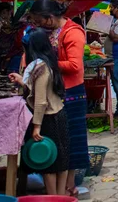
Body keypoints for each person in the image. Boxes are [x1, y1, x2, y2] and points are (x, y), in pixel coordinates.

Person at [29, 0, 89, 197]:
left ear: (50, 17)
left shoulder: (73, 32)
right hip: (57, 90)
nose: (38, 25)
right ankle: (63, 190)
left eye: (39, 21)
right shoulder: (51, 31)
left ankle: (68, 186)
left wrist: (47, 62)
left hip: (71, 91)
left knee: (70, 141)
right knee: (60, 142)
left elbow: (74, 65)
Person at [10, 29, 70, 195]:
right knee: (61, 159)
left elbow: (41, 100)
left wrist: (37, 126)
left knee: (48, 161)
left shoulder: (40, 67)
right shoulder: (47, 62)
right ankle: (60, 196)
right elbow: (38, 90)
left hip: (49, 118)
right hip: (58, 114)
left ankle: (54, 197)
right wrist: (22, 81)